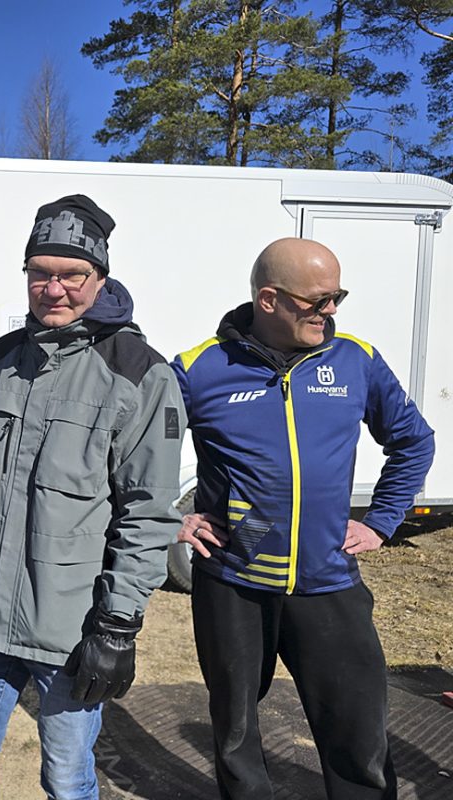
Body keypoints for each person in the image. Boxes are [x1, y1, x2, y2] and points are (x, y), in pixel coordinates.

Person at [0, 194, 185, 799]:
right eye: (40, 273)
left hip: (71, 630)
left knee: (67, 780)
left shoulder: (139, 373)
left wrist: (118, 625)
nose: (54, 288)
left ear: (99, 277)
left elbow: (148, 512)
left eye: (72, 274)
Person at [171, 238, 435, 800]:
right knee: (236, 732)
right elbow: (131, 453)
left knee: (357, 731)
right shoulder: (198, 369)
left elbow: (414, 441)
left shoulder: (356, 360)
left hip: (328, 580)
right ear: (270, 300)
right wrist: (171, 521)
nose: (332, 310)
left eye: (338, 296)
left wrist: (382, 520)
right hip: (233, 584)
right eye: (319, 300)